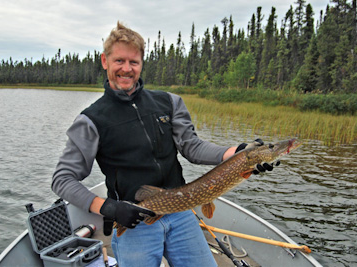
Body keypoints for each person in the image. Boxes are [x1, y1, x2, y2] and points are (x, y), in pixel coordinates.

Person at [52, 21, 277, 267]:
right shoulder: (91, 120)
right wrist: (109, 208)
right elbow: (62, 179)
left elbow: (192, 146)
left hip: (180, 211)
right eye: (119, 61)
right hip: (133, 219)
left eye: (133, 62)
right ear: (105, 61)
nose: (126, 69)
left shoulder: (168, 102)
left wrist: (237, 153)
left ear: (141, 64)